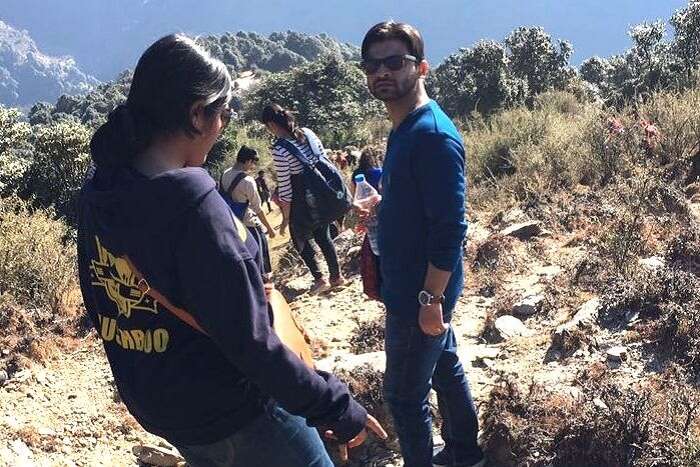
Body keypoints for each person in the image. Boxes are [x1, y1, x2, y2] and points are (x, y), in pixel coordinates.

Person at [78, 34, 385, 467]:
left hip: (162, 405)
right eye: (223, 113)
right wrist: (335, 404)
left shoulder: (100, 191)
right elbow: (251, 343)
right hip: (235, 411)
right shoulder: (194, 203)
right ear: (196, 114)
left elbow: (99, 294)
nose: (223, 124)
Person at [359, 21, 485, 467]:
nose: (382, 72)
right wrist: (383, 204)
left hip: (419, 294)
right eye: (372, 65)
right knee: (446, 370)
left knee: (404, 396)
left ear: (422, 67)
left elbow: (451, 226)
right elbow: (422, 205)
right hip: (413, 289)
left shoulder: (431, 135)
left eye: (395, 62)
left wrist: (430, 298)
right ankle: (467, 455)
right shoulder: (405, 128)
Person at [261, 103, 347, 293]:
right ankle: (336, 277)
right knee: (323, 236)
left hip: (302, 199)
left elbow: (285, 186)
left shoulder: (279, 148)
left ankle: (320, 279)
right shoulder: (308, 133)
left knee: (299, 237)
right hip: (321, 192)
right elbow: (323, 159)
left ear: (271, 125)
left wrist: (285, 216)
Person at [220, 145, 275, 277]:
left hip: (233, 224)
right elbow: (258, 209)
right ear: (248, 161)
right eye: (253, 163)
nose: (253, 167)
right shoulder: (247, 181)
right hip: (250, 224)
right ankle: (266, 283)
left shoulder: (225, 174)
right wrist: (270, 228)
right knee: (262, 261)